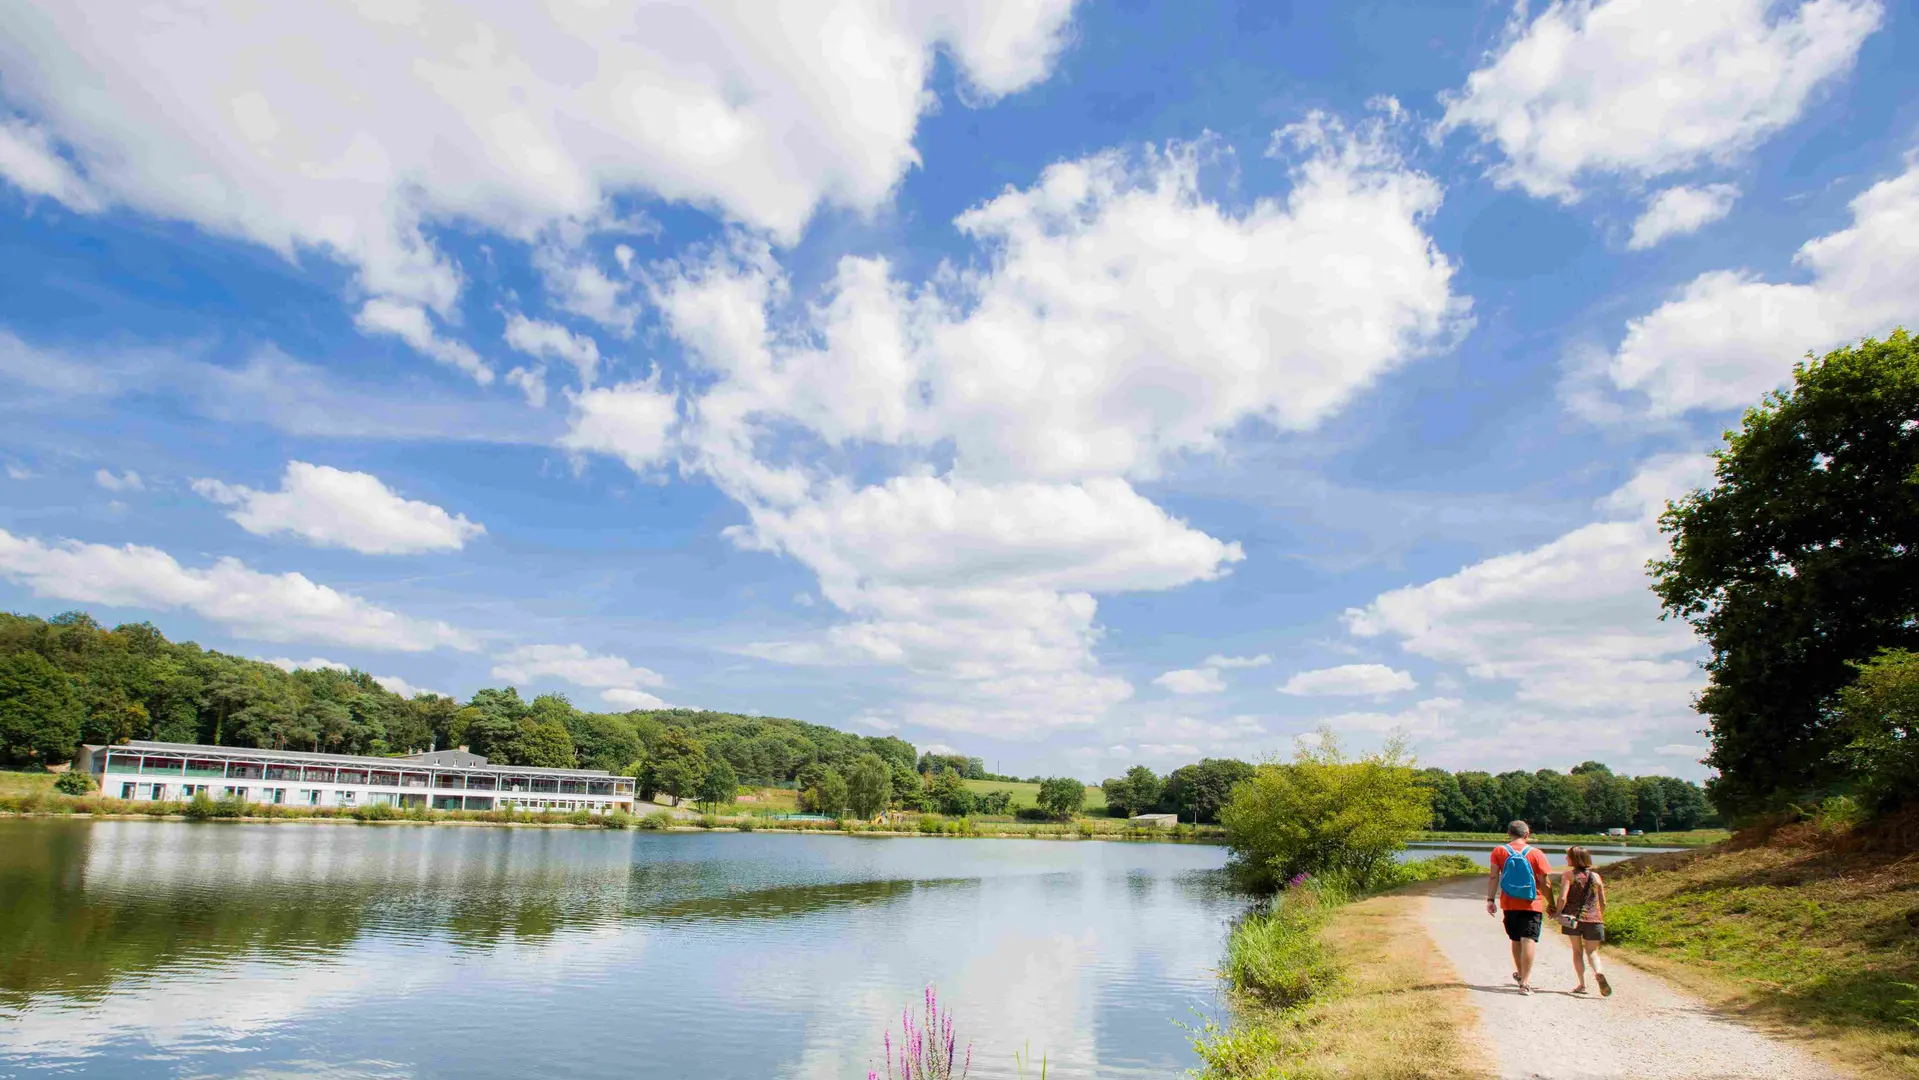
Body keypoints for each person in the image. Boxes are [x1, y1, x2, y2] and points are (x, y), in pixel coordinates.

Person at [1487, 820, 1555, 994]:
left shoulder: (1499, 851)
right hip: (1532, 903)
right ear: (1527, 834)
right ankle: (1525, 981)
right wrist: (1551, 904)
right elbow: (1545, 882)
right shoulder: (1536, 853)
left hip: (1509, 903)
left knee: (1516, 940)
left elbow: (1493, 877)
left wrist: (1490, 900)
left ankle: (1521, 975)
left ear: (1509, 833)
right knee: (1529, 939)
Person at [1556, 846, 1611, 996]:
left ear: (1574, 859)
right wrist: (1598, 916)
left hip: (1574, 919)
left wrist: (1558, 913)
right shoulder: (1596, 877)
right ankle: (1598, 972)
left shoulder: (1568, 875)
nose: (1566, 859)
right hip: (1594, 920)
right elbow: (1603, 902)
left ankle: (1582, 984)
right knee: (1592, 952)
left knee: (1577, 950)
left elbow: (1562, 897)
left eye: (1568, 856)